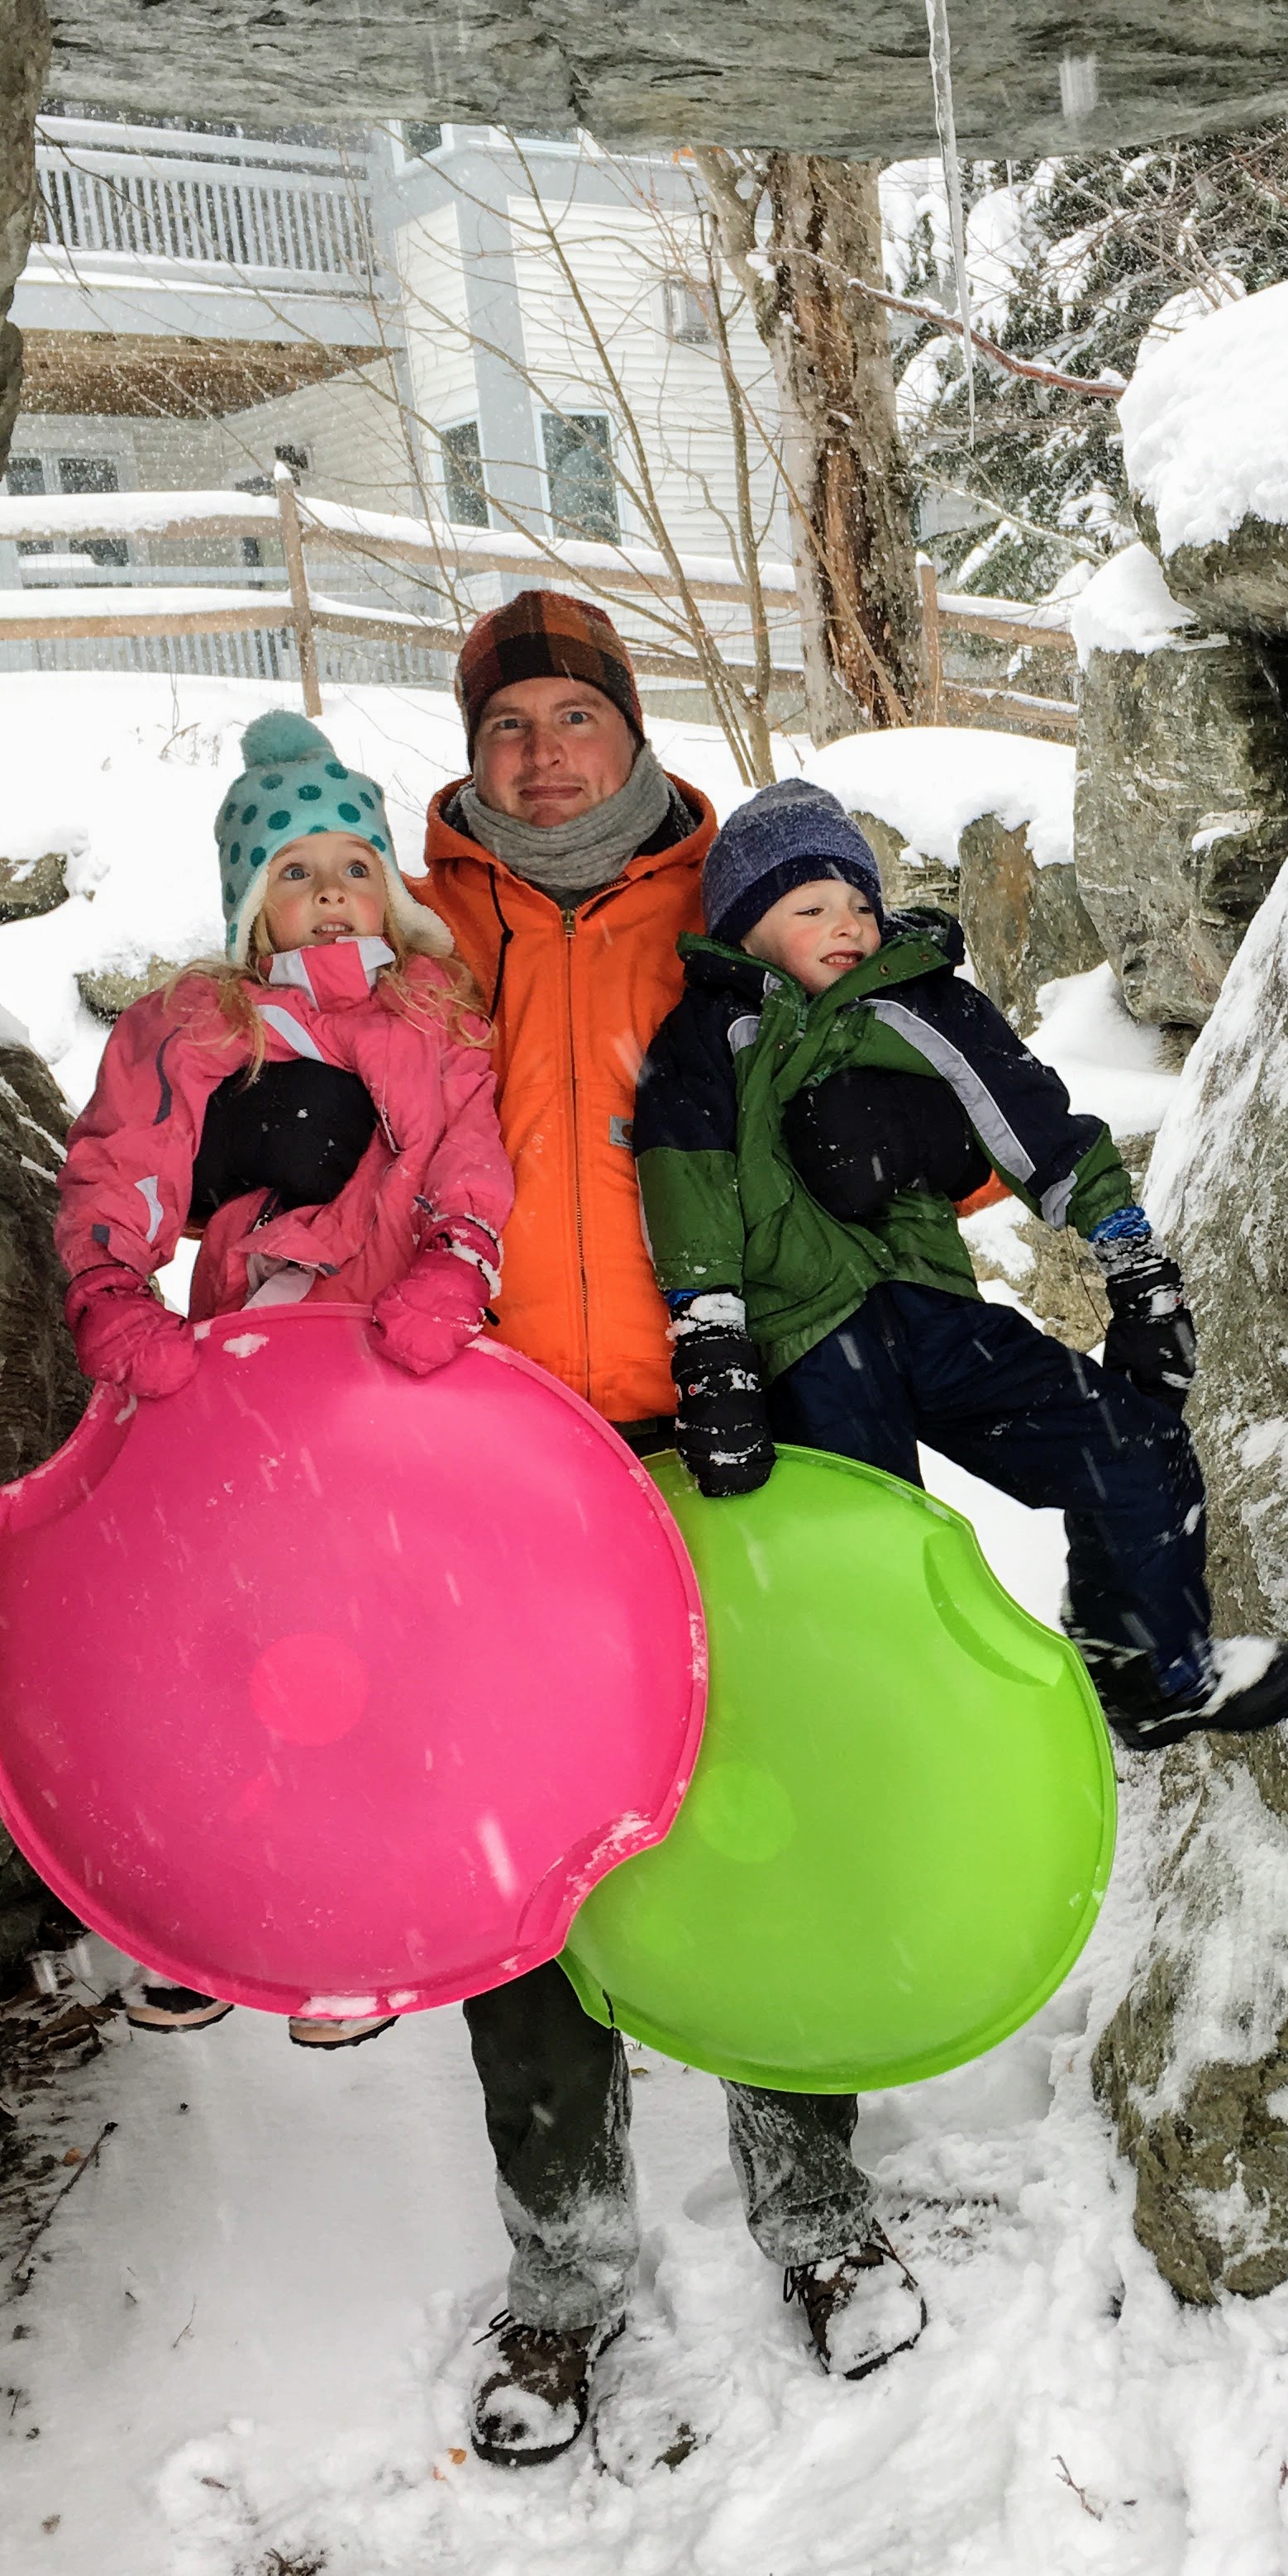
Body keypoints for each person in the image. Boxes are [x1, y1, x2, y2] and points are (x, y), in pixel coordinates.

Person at [417, 594, 933, 2464]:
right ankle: (565, 2278)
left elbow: (913, 1081)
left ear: (630, 733)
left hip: (737, 1430)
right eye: (511, 729)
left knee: (763, 1817)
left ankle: (815, 2211)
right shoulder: (408, 936)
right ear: (474, 753)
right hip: (498, 1464)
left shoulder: (739, 905)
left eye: (577, 717)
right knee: (527, 1863)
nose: (545, 755)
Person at [640, 776, 1288, 1751]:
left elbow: (1036, 1123)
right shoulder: (710, 1036)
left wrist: (1133, 1260)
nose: (849, 926)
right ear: (745, 927)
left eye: (861, 904)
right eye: (811, 906)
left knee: (1132, 1448)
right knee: (878, 1556)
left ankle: (1150, 1670)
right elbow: (687, 1184)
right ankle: (903, 1753)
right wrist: (713, 1345)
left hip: (934, 1311)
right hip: (810, 1338)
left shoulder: (922, 1004)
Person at [53, 709, 512, 2050]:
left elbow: (465, 1156)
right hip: (247, 1361)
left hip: (397, 1372)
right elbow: (123, 1160)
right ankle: (218, 1908)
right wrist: (113, 1295)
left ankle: (364, 1917)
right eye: (296, 870)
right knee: (244, 1632)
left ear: (390, 882)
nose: (329, 891)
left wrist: (455, 1268)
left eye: (352, 863)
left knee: (388, 1634)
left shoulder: (435, 1011)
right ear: (254, 902)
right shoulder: (200, 1020)